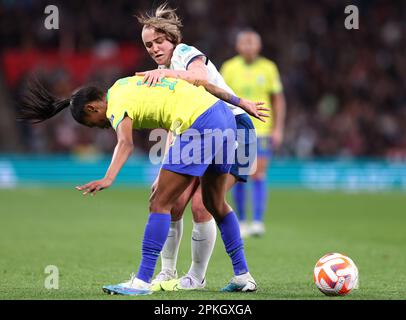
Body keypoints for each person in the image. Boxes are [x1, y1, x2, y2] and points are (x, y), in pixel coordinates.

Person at [18, 75, 263, 295]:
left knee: (159, 203)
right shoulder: (124, 85)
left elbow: (125, 143)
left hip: (199, 124)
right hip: (224, 118)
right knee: (215, 203)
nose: (102, 126)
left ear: (93, 107)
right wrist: (239, 102)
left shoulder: (115, 105)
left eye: (94, 122)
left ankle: (142, 281)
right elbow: (184, 92)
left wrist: (109, 177)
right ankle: (242, 275)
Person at [134, 4, 262, 291]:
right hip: (199, 133)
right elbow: (172, 123)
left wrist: (166, 75)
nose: (154, 48)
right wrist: (164, 170)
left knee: (204, 204)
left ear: (172, 39)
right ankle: (167, 273)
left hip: (236, 128)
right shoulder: (162, 71)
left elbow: (201, 79)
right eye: (148, 45)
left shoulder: (184, 53)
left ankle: (199, 276)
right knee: (173, 201)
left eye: (158, 41)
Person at [221, 30, 287, 237]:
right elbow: (221, 96)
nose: (248, 47)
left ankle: (257, 221)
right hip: (238, 126)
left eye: (252, 43)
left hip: (262, 129)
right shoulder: (229, 67)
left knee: (258, 173)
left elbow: (278, 99)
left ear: (258, 46)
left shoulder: (268, 67)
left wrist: (278, 128)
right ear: (238, 46)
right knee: (240, 174)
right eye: (245, 43)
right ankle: (241, 221)